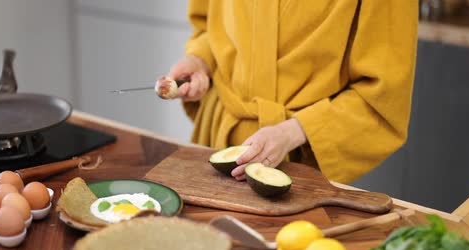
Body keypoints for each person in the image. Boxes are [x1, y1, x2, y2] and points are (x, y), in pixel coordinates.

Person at [164, 1, 418, 184]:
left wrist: (294, 131)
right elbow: (213, 26)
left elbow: (383, 95)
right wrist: (201, 60)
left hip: (302, 164)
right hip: (213, 146)